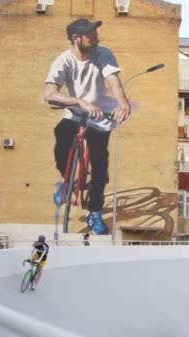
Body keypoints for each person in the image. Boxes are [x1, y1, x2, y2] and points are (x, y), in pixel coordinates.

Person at [44, 18, 131, 235]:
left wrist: (123, 104)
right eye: (91, 35)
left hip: (101, 118)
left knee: (100, 170)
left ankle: (94, 212)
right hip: (76, 114)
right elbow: (49, 93)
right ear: (76, 38)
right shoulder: (63, 61)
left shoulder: (103, 54)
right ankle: (65, 182)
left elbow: (114, 81)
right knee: (61, 133)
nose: (97, 38)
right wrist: (79, 102)